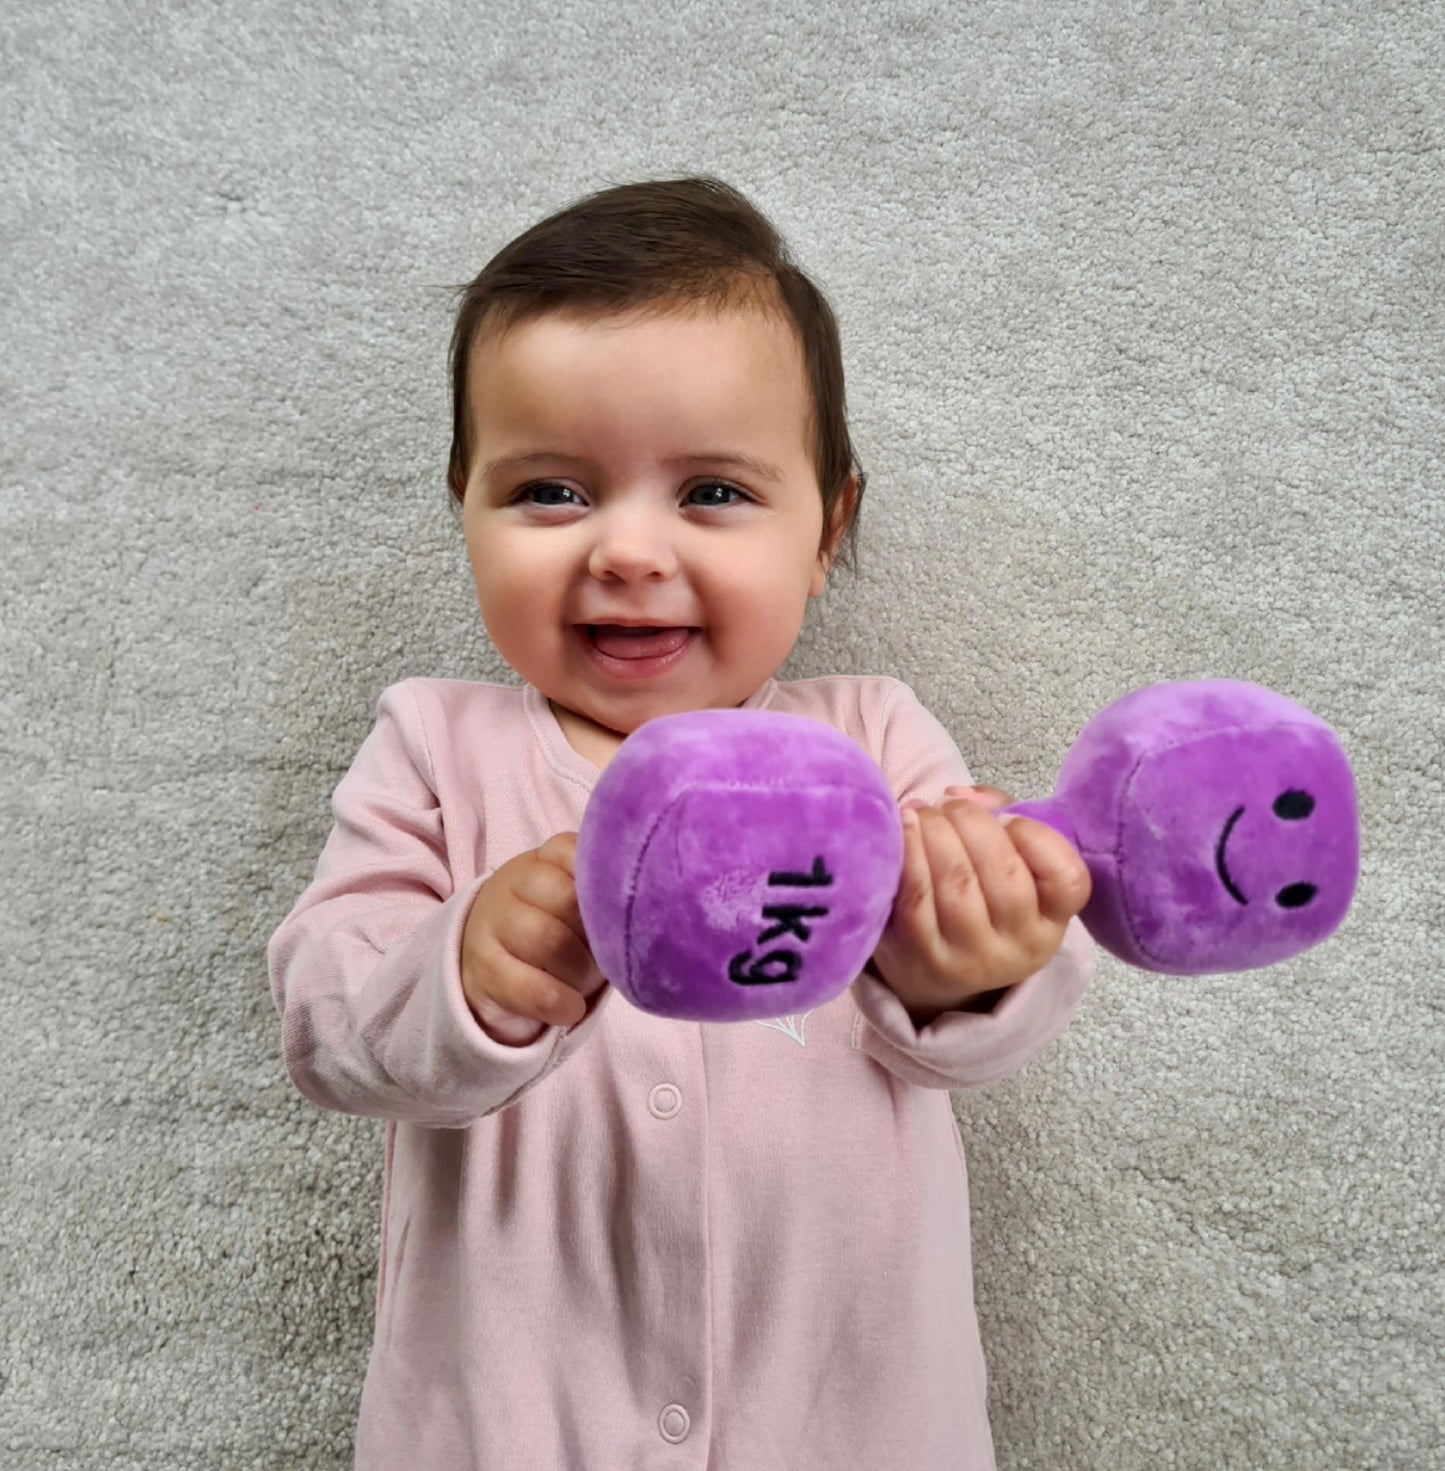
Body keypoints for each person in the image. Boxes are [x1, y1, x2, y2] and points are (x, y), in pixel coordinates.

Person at [268, 174, 1095, 1470]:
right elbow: (325, 1025)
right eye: (551, 492)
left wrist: (962, 965)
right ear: (464, 506)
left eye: (710, 492)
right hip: (508, 1426)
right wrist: (470, 968)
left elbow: (998, 1002)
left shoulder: (870, 742)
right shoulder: (435, 746)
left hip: (845, 1419)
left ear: (827, 529)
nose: (627, 552)